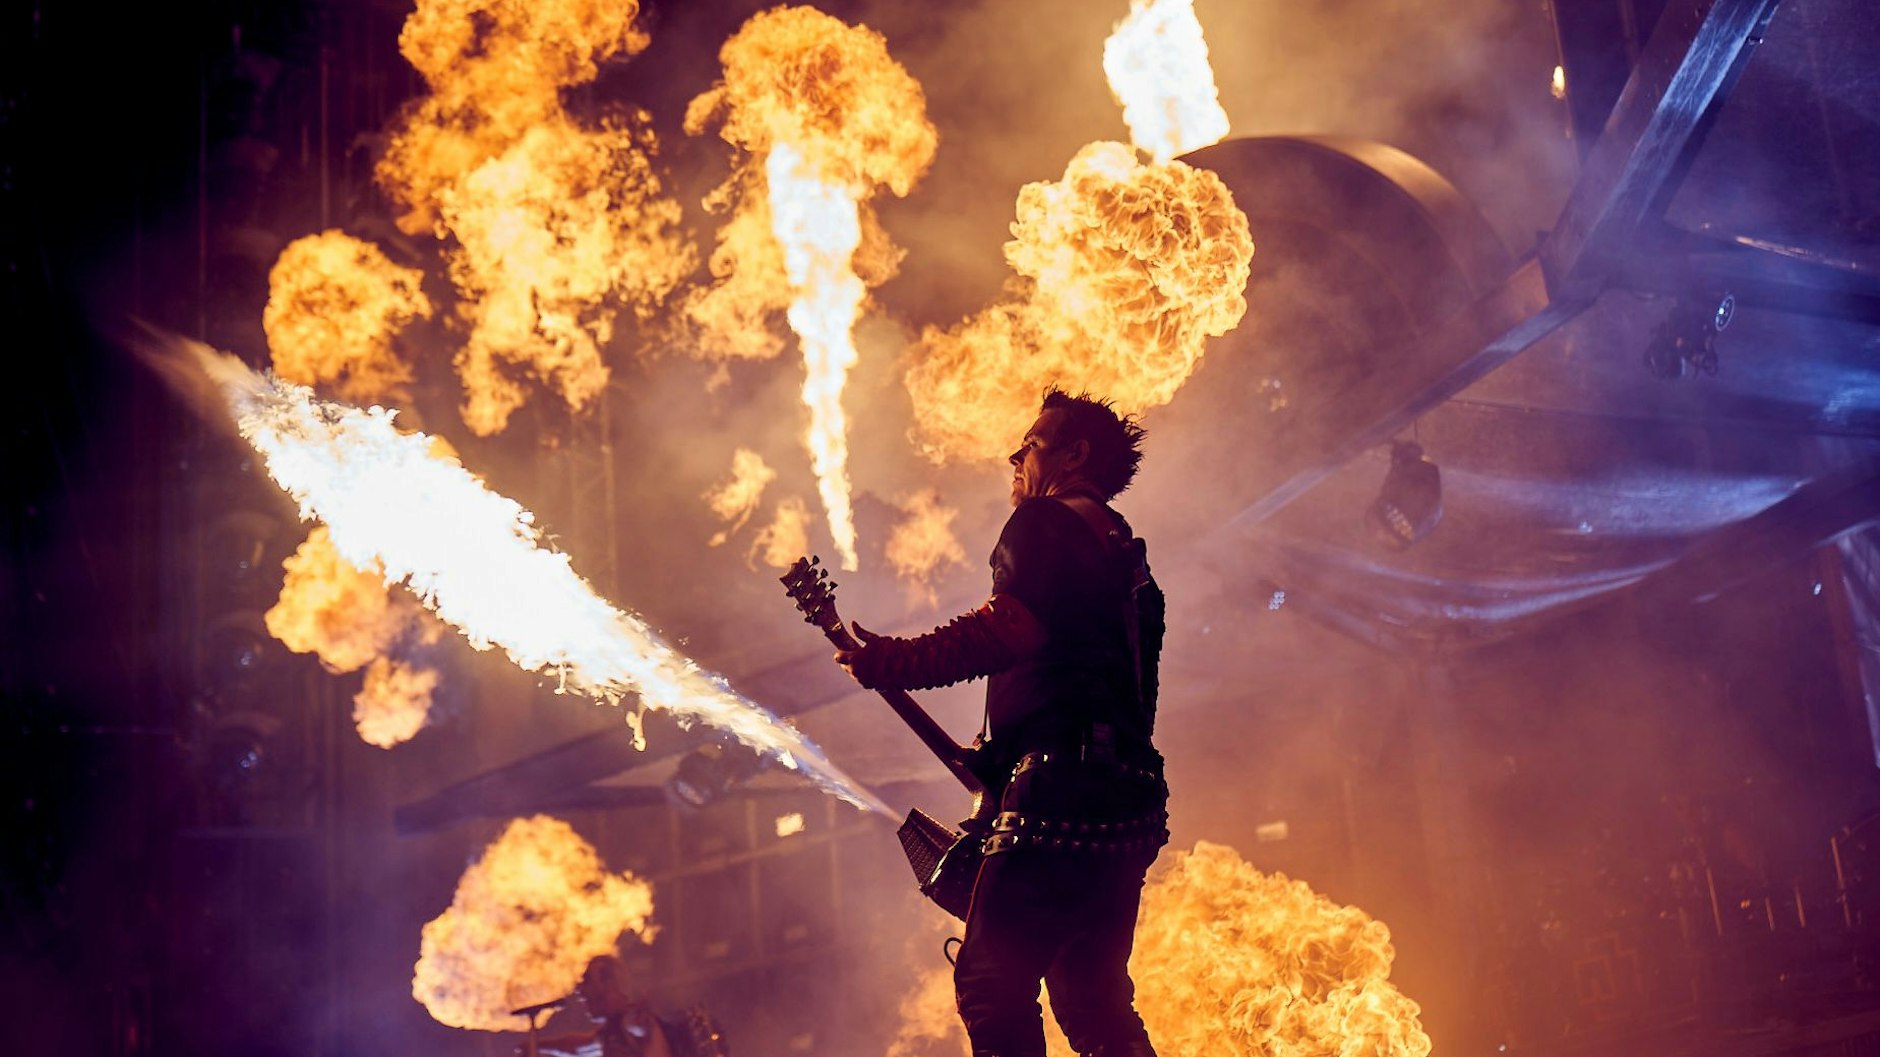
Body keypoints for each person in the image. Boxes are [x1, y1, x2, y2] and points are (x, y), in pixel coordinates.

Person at [837, 388, 1168, 1057]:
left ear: (1075, 455)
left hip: (1057, 803)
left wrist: (894, 661)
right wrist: (997, 759)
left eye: (1032, 444)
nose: (1015, 457)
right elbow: (1118, 696)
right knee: (1094, 1003)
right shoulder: (1125, 553)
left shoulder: (1044, 522)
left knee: (991, 984)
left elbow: (1003, 632)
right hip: (1124, 807)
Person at [533, 954, 728, 1057]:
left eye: (587, 980)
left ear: (609, 982)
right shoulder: (612, 1032)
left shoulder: (630, 1022)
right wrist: (534, 1046)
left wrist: (641, 1021)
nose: (581, 991)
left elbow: (640, 1027)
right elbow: (575, 1046)